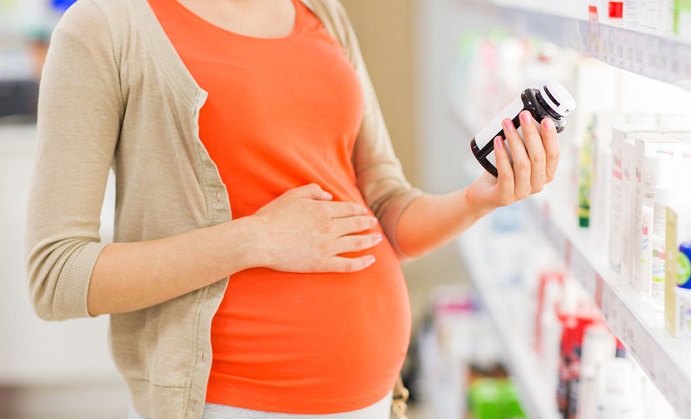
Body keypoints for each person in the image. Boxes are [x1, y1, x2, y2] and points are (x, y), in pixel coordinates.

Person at [24, 0, 560, 418]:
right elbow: (57, 275)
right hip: (230, 403)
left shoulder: (320, 13)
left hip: (370, 398)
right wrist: (253, 239)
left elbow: (386, 208)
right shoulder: (104, 28)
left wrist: (478, 200)